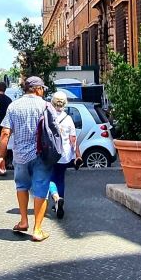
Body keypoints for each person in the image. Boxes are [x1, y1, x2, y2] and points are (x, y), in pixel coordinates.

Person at [0, 76, 53, 242]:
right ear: (37, 89)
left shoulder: (14, 106)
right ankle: (37, 229)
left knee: (21, 186)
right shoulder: (45, 106)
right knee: (41, 190)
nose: (43, 91)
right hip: (41, 155)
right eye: (42, 88)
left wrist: (1, 156)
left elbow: (5, 133)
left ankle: (23, 221)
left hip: (20, 156)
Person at [46, 91, 80, 220]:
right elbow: (73, 139)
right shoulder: (68, 119)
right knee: (60, 178)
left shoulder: (48, 116)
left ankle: (55, 197)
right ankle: (59, 204)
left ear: (52, 102)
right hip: (65, 154)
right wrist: (76, 154)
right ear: (65, 103)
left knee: (48, 177)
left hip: (50, 153)